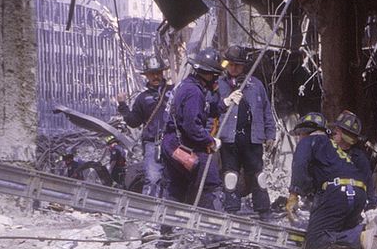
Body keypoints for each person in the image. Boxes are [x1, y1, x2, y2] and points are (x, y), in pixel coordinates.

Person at [293, 110, 377, 249]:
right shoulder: (332, 149)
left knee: (315, 241)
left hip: (336, 196)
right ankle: (364, 233)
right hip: (349, 199)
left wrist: (294, 193)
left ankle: (362, 236)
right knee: (337, 232)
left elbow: (303, 168)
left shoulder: (318, 145)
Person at [160, 48, 225, 213]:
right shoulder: (194, 92)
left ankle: (168, 231)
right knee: (211, 184)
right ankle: (214, 231)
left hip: (172, 144)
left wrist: (222, 102)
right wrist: (210, 141)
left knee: (175, 188)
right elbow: (192, 126)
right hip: (185, 145)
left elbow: (206, 110)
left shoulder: (186, 86)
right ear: (209, 74)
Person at [218, 45, 277, 220]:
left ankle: (264, 210)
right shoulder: (219, 84)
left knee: (258, 175)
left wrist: (270, 133)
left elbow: (267, 110)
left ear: (244, 65)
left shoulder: (256, 85)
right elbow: (212, 110)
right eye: (230, 64)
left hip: (252, 138)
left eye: (237, 65)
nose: (233, 68)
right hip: (229, 138)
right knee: (230, 175)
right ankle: (231, 209)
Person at [116, 55, 172, 197]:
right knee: (153, 179)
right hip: (153, 143)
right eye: (152, 73)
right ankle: (149, 212)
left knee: (173, 181)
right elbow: (133, 122)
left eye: (158, 72)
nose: (155, 76)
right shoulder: (142, 98)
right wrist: (122, 105)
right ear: (146, 75)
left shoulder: (174, 92)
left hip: (173, 143)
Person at [285, 112, 330, 222]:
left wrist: (293, 195)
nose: (298, 139)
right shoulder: (332, 146)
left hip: (325, 198)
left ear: (304, 132)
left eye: (299, 134)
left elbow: (299, 166)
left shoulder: (306, 142)